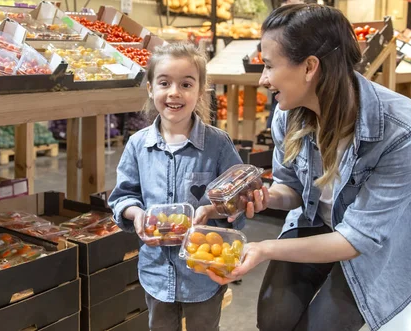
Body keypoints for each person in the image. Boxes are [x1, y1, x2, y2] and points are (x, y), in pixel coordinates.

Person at [206, 4, 411, 331]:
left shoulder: (399, 132)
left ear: (310, 67)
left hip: (370, 249)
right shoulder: (288, 114)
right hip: (316, 223)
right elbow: (292, 190)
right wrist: (262, 196)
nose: (263, 79)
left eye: (269, 66)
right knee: (273, 320)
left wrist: (262, 248)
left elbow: (356, 240)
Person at [108, 43, 245, 331]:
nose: (174, 92)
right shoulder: (137, 145)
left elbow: (238, 201)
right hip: (156, 270)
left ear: (201, 90)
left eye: (186, 84)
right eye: (164, 83)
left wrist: (213, 208)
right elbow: (123, 195)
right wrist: (136, 215)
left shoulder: (218, 145)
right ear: (150, 89)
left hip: (204, 271)